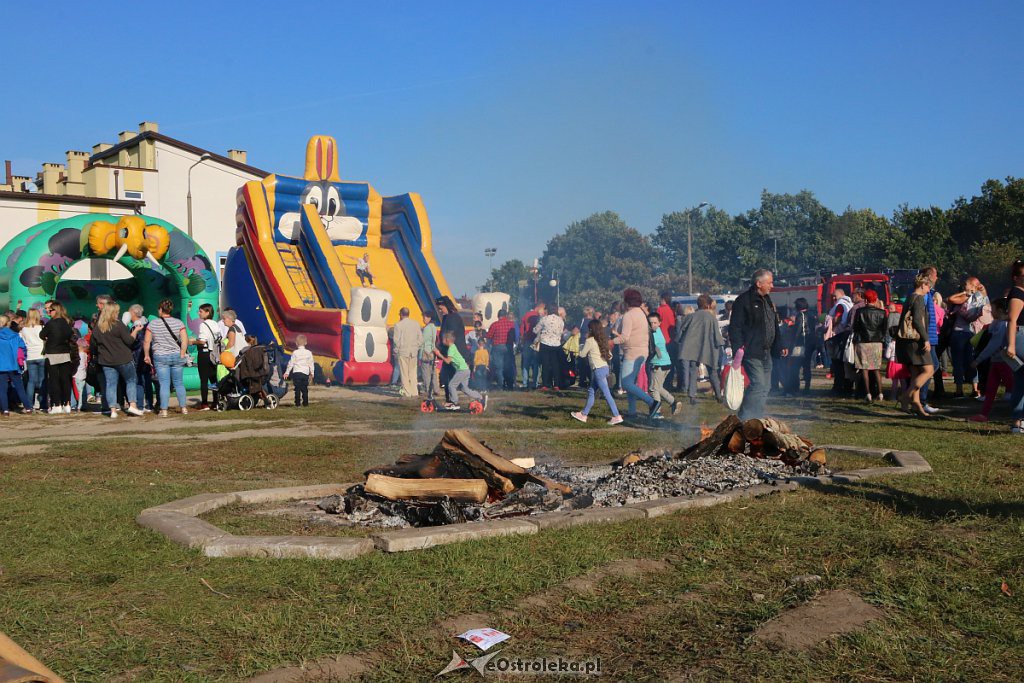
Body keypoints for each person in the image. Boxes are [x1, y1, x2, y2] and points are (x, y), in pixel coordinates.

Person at [730, 269, 779, 421]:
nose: (772, 285)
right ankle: (744, 418)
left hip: (766, 351)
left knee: (766, 387)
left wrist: (780, 343)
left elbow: (773, 324)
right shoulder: (744, 301)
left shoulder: (767, 300)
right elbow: (735, 327)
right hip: (751, 351)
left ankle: (756, 417)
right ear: (759, 283)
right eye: (769, 282)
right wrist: (738, 348)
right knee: (758, 385)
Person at [90, 302, 145, 418]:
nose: (118, 313)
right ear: (113, 312)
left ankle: (113, 410)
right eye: (117, 311)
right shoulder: (118, 325)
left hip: (106, 361)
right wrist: (135, 331)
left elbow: (94, 345)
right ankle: (133, 405)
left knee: (111, 385)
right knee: (130, 381)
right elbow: (129, 341)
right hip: (123, 358)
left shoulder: (97, 327)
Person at [612, 289, 660, 419]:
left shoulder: (629, 315)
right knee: (631, 382)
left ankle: (652, 402)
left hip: (632, 352)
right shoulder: (641, 313)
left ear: (627, 300)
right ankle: (632, 412)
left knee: (626, 383)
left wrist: (611, 341)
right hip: (642, 352)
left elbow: (624, 337)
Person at [894, 273, 934, 417]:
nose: (929, 290)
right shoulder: (918, 299)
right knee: (929, 370)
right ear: (922, 285)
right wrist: (926, 339)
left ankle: (914, 405)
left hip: (906, 340)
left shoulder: (910, 297)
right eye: (928, 286)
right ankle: (906, 396)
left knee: (915, 373)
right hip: (915, 341)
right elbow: (917, 321)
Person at [969, 298, 1013, 422]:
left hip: (1004, 362)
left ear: (999, 310)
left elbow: (993, 345)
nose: (990, 312)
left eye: (992, 310)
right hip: (997, 361)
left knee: (1013, 388)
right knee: (991, 388)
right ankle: (984, 414)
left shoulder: (1002, 325)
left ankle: (1017, 416)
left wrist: (978, 360)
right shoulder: (997, 324)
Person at [570, 319, 622, 425]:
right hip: (604, 368)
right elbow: (610, 356)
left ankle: (617, 416)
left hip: (598, 370)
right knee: (591, 391)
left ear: (591, 329)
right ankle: (584, 414)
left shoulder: (590, 340)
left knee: (607, 394)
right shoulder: (603, 339)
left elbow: (582, 354)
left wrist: (578, 349)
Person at [144, 299, 190, 417]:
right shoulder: (179, 323)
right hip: (176, 355)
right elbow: (185, 340)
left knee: (164, 384)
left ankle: (163, 410)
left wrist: (146, 355)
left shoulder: (153, 324)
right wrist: (182, 353)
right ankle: (183, 408)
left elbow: (147, 341)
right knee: (179, 383)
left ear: (160, 309)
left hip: (160, 356)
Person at [946, 277, 990, 398]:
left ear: (972, 285)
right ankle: (975, 389)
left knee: (958, 361)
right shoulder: (981, 299)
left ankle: (959, 389)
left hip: (959, 332)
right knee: (972, 361)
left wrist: (965, 293)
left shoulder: (966, 297)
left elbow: (950, 299)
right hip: (973, 333)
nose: (963, 285)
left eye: (966, 284)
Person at [678, 294, 724, 403]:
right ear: (708, 305)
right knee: (712, 372)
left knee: (693, 371)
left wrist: (680, 341)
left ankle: (692, 395)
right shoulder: (711, 317)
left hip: (693, 347)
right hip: (709, 347)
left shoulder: (691, 316)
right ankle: (718, 395)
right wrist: (720, 344)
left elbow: (682, 329)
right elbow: (717, 334)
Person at [40, 301, 76, 414]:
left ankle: (57, 405)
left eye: (50, 310)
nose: (49, 312)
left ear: (55, 311)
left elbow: (41, 335)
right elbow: (70, 336)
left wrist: (48, 338)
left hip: (52, 353)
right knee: (65, 379)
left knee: (54, 379)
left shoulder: (51, 323)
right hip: (65, 352)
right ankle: (67, 403)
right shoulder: (66, 323)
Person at [852, 289, 886, 402]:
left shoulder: (860, 312)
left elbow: (855, 327)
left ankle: (868, 393)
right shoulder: (882, 313)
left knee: (864, 368)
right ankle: (881, 393)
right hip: (876, 342)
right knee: (876, 368)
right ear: (875, 299)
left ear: (865, 299)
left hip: (863, 342)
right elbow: (884, 329)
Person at [438, 330, 486, 411]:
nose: (442, 341)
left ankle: (454, 403)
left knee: (451, 385)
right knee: (465, 389)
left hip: (462, 370)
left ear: (447, 340)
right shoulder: (453, 346)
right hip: (465, 370)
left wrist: (438, 354)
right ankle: (480, 397)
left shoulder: (451, 349)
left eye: (443, 339)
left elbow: (448, 361)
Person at [436, 297, 470, 402]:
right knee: (447, 377)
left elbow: (450, 336)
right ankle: (450, 400)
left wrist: (440, 348)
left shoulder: (453, 318)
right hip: (448, 351)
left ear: (447, 306)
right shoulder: (447, 317)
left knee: (451, 379)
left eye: (441, 308)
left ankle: (453, 401)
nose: (440, 311)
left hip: (455, 353)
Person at [1005, 260, 1024, 434]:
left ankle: (1017, 421)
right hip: (1020, 336)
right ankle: (1018, 420)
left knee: (1021, 380)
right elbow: (1012, 320)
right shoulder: (1017, 293)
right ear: (1016, 278)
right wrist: (1011, 345)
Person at [0, 315, 31, 416]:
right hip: (14, 365)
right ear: (8, 323)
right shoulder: (15, 335)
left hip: (1, 366)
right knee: (20, 388)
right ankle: (28, 408)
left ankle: (5, 410)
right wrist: (21, 359)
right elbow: (23, 349)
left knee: (2, 389)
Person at [647, 312, 677, 416]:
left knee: (653, 389)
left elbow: (656, 351)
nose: (652, 325)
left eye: (655, 323)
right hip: (666, 363)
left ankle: (657, 412)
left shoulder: (653, 335)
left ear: (660, 323)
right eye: (650, 323)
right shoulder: (658, 330)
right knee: (658, 387)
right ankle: (673, 402)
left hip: (659, 364)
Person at [193, 304, 222, 410]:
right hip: (214, 354)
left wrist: (192, 342)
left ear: (207, 312)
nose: (198, 313)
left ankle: (204, 403)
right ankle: (216, 401)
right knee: (214, 379)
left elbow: (202, 341)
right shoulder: (216, 323)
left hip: (204, 353)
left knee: (204, 380)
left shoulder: (203, 325)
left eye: (200, 311)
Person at [19, 308, 47, 412]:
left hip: (30, 356)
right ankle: (43, 404)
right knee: (42, 381)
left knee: (31, 381)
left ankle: (29, 405)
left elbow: (23, 342)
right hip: (41, 355)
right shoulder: (41, 327)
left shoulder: (24, 329)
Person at [392, 307, 422, 398]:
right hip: (413, 352)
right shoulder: (416, 324)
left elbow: (396, 341)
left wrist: (396, 351)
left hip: (403, 352)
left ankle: (407, 392)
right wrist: (416, 347)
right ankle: (414, 392)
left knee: (404, 373)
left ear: (401, 314)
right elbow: (420, 339)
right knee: (413, 373)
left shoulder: (398, 325)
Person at [534, 306, 565, 390]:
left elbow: (536, 330)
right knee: (555, 365)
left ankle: (545, 384)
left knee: (545, 364)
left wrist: (534, 330)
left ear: (548, 310)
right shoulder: (560, 320)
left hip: (545, 343)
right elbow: (561, 332)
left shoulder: (544, 319)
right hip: (556, 344)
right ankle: (556, 385)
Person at [236, 334, 271, 407]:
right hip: (262, 374)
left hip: (249, 375)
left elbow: (238, 362)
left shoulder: (245, 350)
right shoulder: (261, 349)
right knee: (258, 384)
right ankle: (263, 397)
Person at [486, 309, 515, 390]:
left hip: (497, 347)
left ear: (498, 316)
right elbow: (514, 336)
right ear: (506, 315)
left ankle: (500, 385)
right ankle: (509, 385)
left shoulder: (495, 324)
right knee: (508, 366)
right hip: (508, 347)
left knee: (499, 367)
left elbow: (489, 336)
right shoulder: (511, 324)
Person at [519, 303, 545, 389]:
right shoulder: (540, 316)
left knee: (526, 362)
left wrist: (522, 339)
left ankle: (525, 382)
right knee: (536, 363)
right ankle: (535, 383)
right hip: (537, 341)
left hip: (527, 340)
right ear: (539, 307)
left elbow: (522, 329)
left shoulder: (526, 315)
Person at [792, 298, 814, 393]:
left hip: (801, 344)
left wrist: (793, 343)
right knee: (807, 366)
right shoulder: (811, 315)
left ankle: (795, 386)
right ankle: (807, 387)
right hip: (809, 343)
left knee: (795, 366)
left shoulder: (800, 316)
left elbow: (798, 330)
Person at [419, 311, 439, 400]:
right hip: (432, 351)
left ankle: (427, 389)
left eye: (424, 317)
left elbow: (422, 340)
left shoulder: (427, 328)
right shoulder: (434, 327)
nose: (423, 319)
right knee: (433, 371)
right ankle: (436, 389)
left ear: (429, 318)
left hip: (425, 352)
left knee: (425, 371)